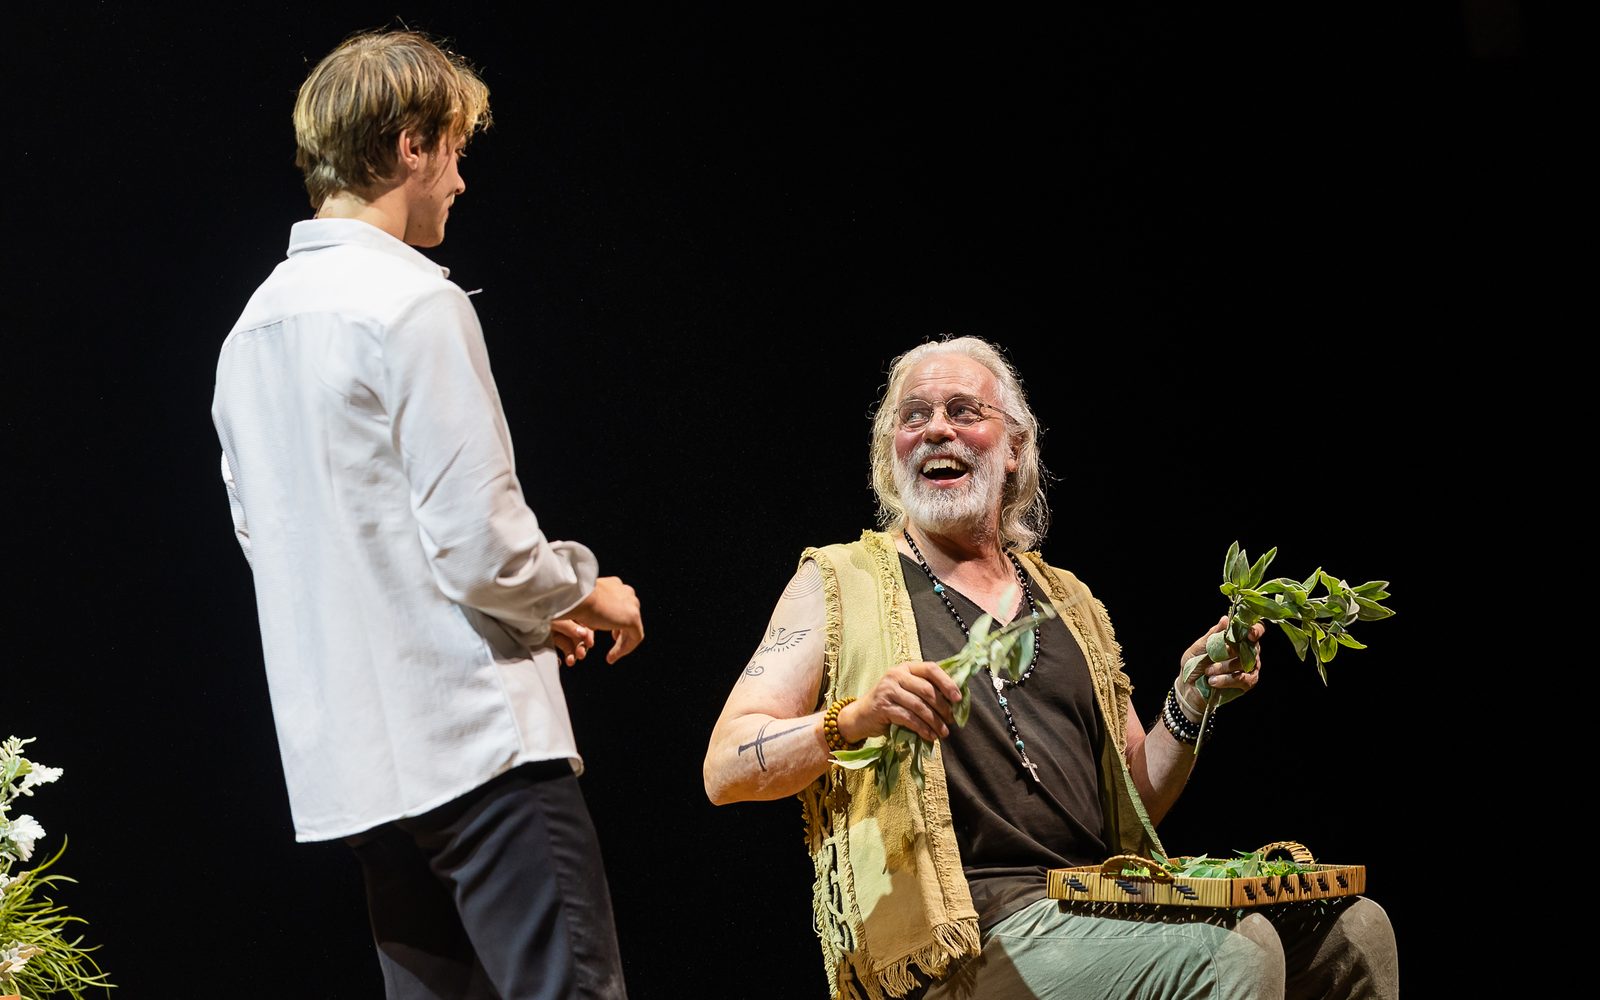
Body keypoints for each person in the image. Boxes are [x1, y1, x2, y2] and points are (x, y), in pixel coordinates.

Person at [702, 335, 1397, 999]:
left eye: (964, 412)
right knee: (1236, 951)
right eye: (914, 417)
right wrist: (853, 719)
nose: (936, 429)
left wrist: (1188, 702)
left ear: (1015, 449)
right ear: (892, 455)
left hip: (1097, 907)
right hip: (966, 940)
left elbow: (1135, 800)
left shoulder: (1069, 601)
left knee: (1357, 932)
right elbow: (725, 766)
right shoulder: (839, 581)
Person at [212, 29, 642, 1000]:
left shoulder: (248, 335)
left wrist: (530, 608)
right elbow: (484, 547)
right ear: (410, 143)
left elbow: (278, 546)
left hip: (359, 771)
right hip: (476, 744)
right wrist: (587, 587)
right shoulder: (411, 304)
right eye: (454, 150)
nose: (459, 180)